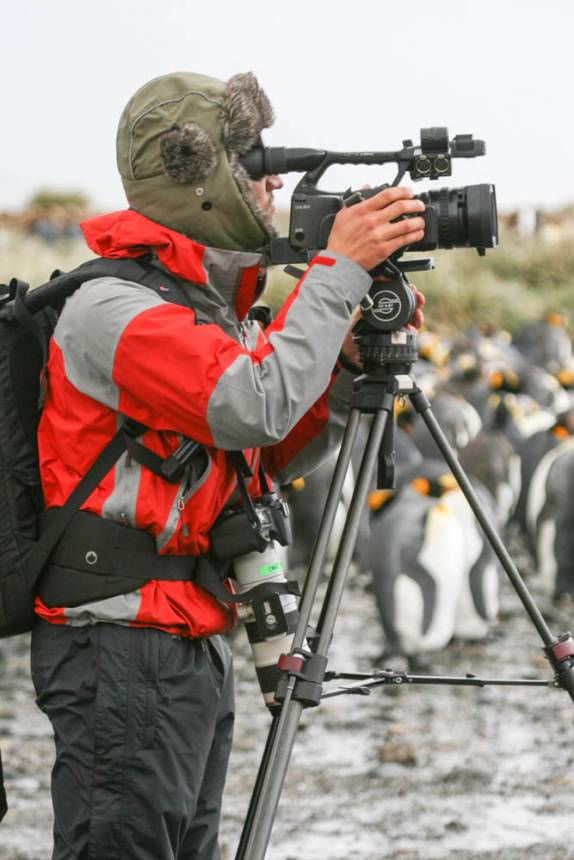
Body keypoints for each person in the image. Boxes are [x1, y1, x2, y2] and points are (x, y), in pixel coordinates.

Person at [30, 71, 426, 859]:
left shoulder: (197, 305)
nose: (273, 178)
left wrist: (342, 372)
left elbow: (259, 454)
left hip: (183, 640)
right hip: (122, 642)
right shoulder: (118, 309)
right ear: (195, 173)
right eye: (253, 160)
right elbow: (252, 405)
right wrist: (338, 273)